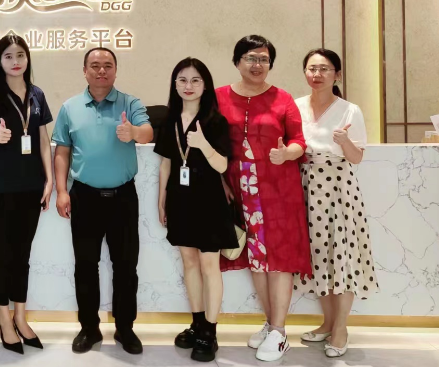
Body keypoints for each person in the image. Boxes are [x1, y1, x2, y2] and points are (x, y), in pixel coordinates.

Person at [216, 35, 311, 362]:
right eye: (251, 58)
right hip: (239, 190)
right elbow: (211, 143)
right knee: (256, 259)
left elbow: (299, 141)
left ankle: (280, 332)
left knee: (279, 259)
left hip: (278, 190)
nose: (257, 64)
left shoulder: (282, 98)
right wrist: (220, 181)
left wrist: (287, 153)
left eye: (264, 59)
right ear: (237, 61)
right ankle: (271, 324)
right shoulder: (219, 97)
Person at [52, 47, 153, 356]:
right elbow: (62, 151)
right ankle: (89, 328)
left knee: (126, 266)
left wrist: (133, 132)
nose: (101, 71)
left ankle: (125, 328)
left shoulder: (130, 103)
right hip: (84, 196)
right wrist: (62, 191)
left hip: (123, 197)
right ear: (85, 71)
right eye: (95, 65)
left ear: (115, 70)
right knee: (85, 266)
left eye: (107, 65)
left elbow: (147, 133)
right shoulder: (70, 107)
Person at [294, 48, 377, 358]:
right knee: (318, 256)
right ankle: (328, 322)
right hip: (304, 186)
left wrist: (344, 142)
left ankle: (341, 328)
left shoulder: (349, 110)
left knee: (342, 255)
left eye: (324, 69)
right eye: (312, 68)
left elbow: (357, 158)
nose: (317, 74)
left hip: (339, 189)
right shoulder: (296, 106)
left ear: (337, 74)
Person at [0, 34, 53, 355]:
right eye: (8, 56)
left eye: (20, 54)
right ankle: (4, 319)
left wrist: (49, 179)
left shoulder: (37, 94)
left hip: (32, 186)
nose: (15, 61)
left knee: (22, 253)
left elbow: (44, 140)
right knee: (3, 253)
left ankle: (21, 317)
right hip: (2, 187)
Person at [155, 58, 236, 362]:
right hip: (180, 199)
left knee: (208, 265)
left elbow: (222, 165)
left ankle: (210, 332)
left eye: (195, 80)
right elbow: (166, 163)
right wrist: (161, 199)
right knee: (189, 262)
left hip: (209, 201)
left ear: (205, 85)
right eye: (182, 80)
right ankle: (197, 322)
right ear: (175, 85)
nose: (188, 86)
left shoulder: (215, 121)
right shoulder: (169, 120)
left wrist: (202, 143)